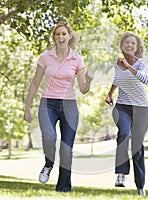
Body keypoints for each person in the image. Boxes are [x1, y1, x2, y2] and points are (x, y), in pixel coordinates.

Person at [24, 21, 93, 192]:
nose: (60, 37)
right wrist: (27, 107)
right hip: (48, 102)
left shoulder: (77, 59)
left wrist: (89, 80)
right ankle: (48, 164)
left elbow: (83, 89)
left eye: (64, 34)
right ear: (54, 37)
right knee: (49, 136)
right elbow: (34, 83)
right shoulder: (45, 57)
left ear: (70, 37)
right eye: (57, 34)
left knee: (66, 149)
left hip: (69, 105)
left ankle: (63, 188)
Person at [105, 32, 148, 196]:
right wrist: (110, 93)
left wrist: (128, 66)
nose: (129, 45)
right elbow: (118, 79)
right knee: (124, 133)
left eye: (133, 43)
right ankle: (121, 174)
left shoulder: (141, 64)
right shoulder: (117, 63)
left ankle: (140, 186)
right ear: (122, 46)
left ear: (137, 47)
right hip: (122, 107)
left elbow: (145, 80)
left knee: (137, 148)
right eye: (126, 43)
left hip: (141, 109)